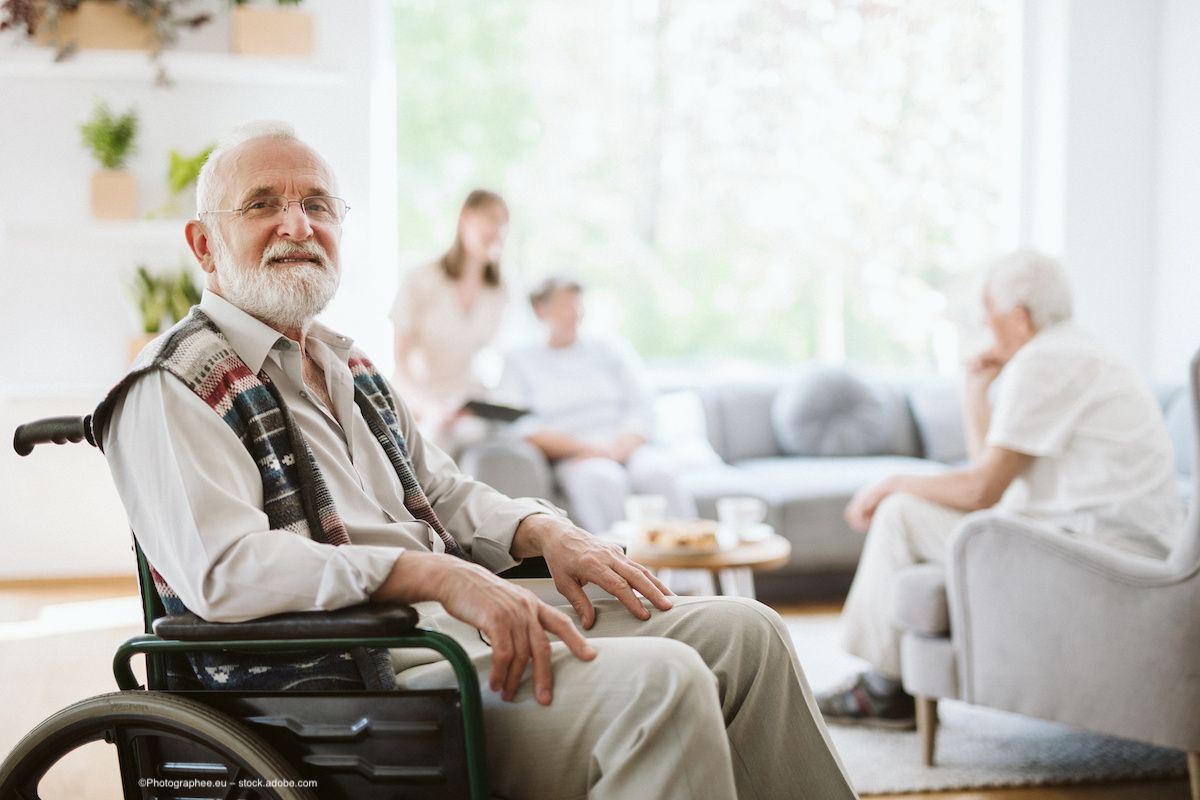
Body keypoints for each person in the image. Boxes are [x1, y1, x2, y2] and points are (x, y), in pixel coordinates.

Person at [93, 121, 857, 800]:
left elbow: (445, 491)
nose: (298, 224)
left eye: (317, 204)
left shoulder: (346, 364)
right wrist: (435, 575)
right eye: (263, 204)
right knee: (665, 685)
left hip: (444, 630)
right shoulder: (172, 384)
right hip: (359, 677)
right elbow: (226, 572)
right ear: (204, 244)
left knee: (748, 634)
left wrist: (541, 529)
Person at [816, 249, 1186, 730]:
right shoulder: (1078, 353)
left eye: (988, 310)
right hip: (1111, 543)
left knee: (900, 512)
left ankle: (884, 691)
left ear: (1019, 317)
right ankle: (889, 683)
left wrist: (891, 482)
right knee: (912, 511)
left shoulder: (1045, 361)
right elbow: (988, 475)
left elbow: (980, 492)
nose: (983, 323)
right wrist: (976, 389)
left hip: (1097, 555)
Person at [495, 275, 698, 535]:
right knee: (603, 480)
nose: (575, 313)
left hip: (626, 443)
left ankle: (687, 556)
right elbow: (517, 424)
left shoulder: (609, 348)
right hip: (575, 453)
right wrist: (584, 448)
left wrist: (624, 444)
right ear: (540, 310)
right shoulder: (519, 360)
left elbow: (642, 402)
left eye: (577, 304)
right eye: (565, 306)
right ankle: (619, 559)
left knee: (658, 473)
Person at [390, 189, 511, 445]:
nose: (498, 230)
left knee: (489, 439)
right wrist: (429, 408)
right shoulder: (421, 279)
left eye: (504, 222)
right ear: (466, 218)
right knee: (435, 440)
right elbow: (401, 363)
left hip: (466, 404)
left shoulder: (498, 291)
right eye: (491, 218)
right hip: (419, 402)